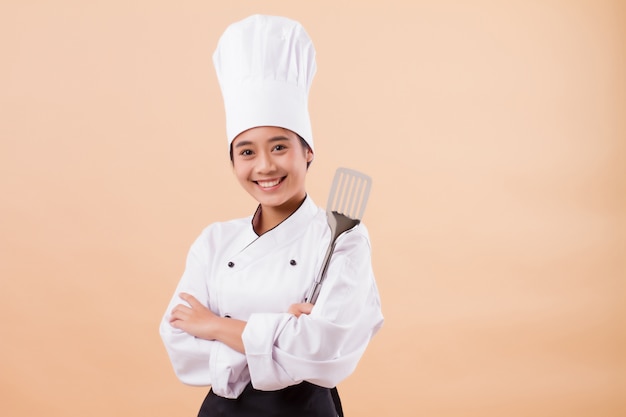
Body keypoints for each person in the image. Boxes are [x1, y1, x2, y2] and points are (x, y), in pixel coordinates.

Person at [159, 14, 383, 417]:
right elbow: (178, 342)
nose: (264, 166)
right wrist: (284, 330)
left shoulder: (341, 236)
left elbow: (328, 351)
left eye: (279, 147)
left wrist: (215, 326)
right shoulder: (214, 241)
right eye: (246, 151)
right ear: (232, 161)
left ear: (308, 150)